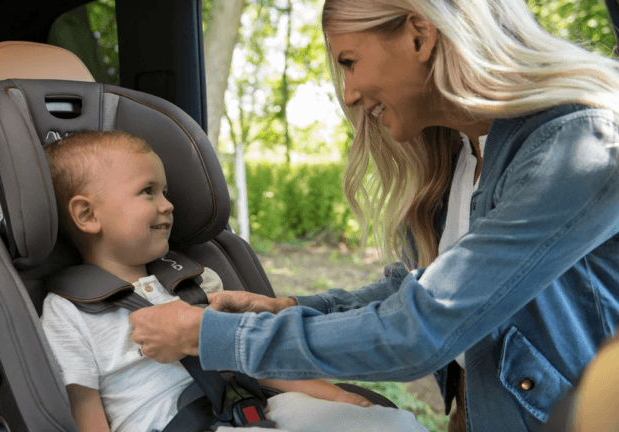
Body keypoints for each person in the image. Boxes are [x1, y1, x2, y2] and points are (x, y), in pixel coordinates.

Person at [127, 1, 619, 431]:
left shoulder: (578, 146)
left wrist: (206, 335)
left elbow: (418, 330)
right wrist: (292, 308)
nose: (348, 94)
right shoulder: (461, 153)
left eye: (349, 62)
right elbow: (427, 291)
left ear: (419, 35)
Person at [39, 130, 429, 432]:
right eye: (148, 192)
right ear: (87, 215)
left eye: (166, 191)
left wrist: (336, 396)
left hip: (254, 407)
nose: (168, 204)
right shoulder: (69, 311)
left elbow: (253, 355)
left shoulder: (194, 278)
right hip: (168, 424)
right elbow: (84, 409)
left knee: (391, 424)